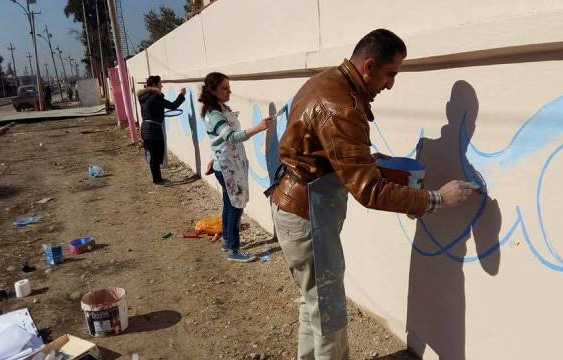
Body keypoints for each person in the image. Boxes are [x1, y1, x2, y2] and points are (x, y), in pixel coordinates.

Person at [266, 29, 476, 359]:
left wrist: (366, 162)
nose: (391, 84)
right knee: (328, 314)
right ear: (368, 66)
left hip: (297, 209)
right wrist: (437, 199)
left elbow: (325, 151)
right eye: (390, 73)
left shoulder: (328, 80)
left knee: (315, 307)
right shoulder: (343, 106)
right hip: (309, 219)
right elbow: (370, 191)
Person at [199, 72, 272, 262]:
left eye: (228, 87)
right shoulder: (214, 114)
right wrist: (258, 127)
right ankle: (233, 249)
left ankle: (228, 241)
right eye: (224, 88)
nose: (229, 91)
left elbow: (218, 141)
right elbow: (230, 137)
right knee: (235, 207)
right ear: (213, 91)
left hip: (229, 166)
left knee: (230, 205)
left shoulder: (220, 109)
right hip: (227, 168)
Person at [138, 75, 186, 186]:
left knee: (152, 155)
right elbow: (173, 106)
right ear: (155, 85)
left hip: (145, 128)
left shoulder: (143, 96)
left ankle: (158, 179)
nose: (162, 85)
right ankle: (158, 181)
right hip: (154, 129)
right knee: (157, 155)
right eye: (160, 83)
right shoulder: (156, 96)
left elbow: (152, 109)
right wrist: (182, 95)